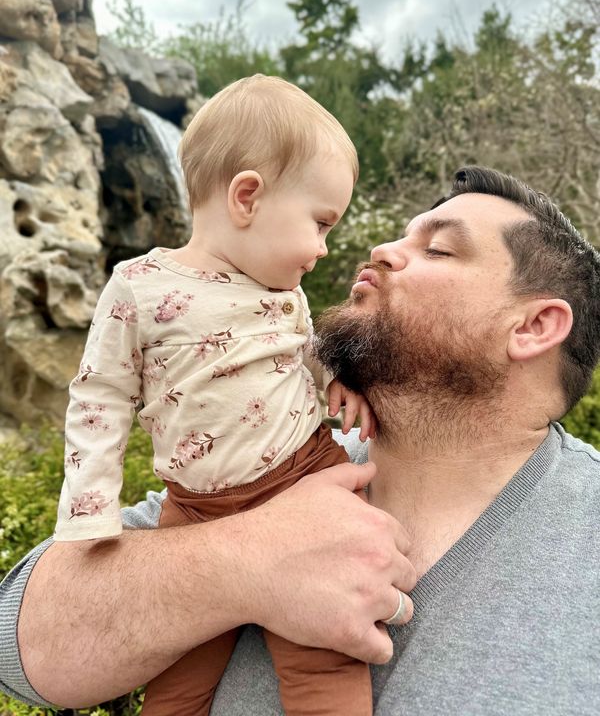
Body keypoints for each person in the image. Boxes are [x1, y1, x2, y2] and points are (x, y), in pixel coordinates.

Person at [2, 165, 599, 714]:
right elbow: (17, 649)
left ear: (534, 326)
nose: (382, 249)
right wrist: (246, 561)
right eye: (401, 236)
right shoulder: (264, 459)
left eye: (437, 248)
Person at [51, 74, 380, 715]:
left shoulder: (284, 291)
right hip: (194, 508)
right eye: (320, 223)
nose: (322, 249)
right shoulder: (138, 287)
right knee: (176, 677)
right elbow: (100, 400)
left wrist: (337, 380)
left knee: (324, 660)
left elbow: (301, 358)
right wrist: (91, 510)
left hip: (302, 478)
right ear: (247, 197)